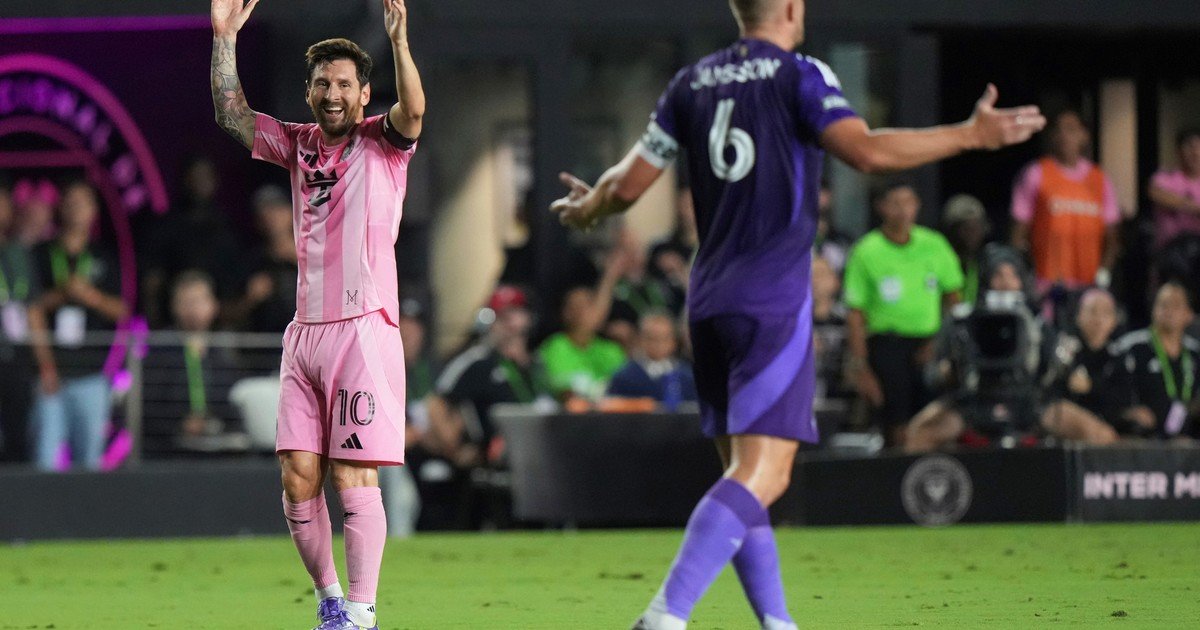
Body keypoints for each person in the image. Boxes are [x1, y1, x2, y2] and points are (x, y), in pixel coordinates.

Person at [549, 0, 1044, 627]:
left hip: (708, 301)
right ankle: (666, 615)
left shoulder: (691, 82)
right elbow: (866, 152)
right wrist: (969, 135)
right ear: (790, 6)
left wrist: (587, 209)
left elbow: (625, 186)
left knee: (743, 474)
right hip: (770, 300)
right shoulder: (800, 74)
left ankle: (779, 624)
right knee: (765, 474)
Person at [210, 0, 425, 628]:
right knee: (298, 476)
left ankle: (363, 610)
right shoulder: (297, 143)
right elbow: (231, 115)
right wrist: (224, 38)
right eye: (323, 84)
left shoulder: (383, 144)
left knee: (352, 474)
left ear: (364, 94)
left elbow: (414, 111)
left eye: (345, 84)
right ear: (309, 92)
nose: (333, 94)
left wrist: (399, 42)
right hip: (304, 333)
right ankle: (331, 601)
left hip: (363, 328)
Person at [843, 182, 964, 445]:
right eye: (896, 203)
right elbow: (855, 313)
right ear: (881, 207)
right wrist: (861, 366)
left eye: (909, 202)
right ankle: (899, 463)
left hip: (930, 344)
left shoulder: (934, 245)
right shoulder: (866, 251)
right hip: (888, 346)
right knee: (895, 421)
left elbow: (954, 300)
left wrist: (938, 343)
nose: (903, 210)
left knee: (937, 416)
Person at [27, 181, 128, 471]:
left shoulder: (103, 256)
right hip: (50, 375)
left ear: (94, 210)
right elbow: (30, 307)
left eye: (82, 203)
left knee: (90, 464)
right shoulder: (41, 253)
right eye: (70, 203)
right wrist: (62, 295)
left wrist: (91, 297)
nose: (76, 209)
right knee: (45, 459)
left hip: (92, 375)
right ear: (60, 208)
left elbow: (122, 310)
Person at [1010, 109, 1121, 292]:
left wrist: (1104, 274)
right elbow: (1018, 233)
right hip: (1046, 286)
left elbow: (1112, 239)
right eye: (1058, 130)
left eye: (1071, 129)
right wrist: (1023, 275)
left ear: (1084, 135)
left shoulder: (1100, 180)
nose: (1064, 136)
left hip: (1089, 287)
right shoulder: (1036, 173)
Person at [141, 271, 247, 453]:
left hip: (220, 449)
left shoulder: (226, 352)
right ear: (174, 307)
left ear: (213, 306)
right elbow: (147, 407)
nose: (193, 309)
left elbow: (236, 403)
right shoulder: (160, 350)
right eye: (186, 302)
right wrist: (181, 424)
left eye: (198, 301)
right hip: (169, 450)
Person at [1111, 281, 1199, 439]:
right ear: (1153, 310)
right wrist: (1126, 412)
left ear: (1189, 314)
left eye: (1176, 305)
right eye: (1163, 304)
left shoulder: (1195, 353)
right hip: (1142, 438)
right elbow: (1108, 389)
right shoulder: (1132, 347)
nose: (1168, 310)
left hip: (1187, 440)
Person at [538, 253, 628, 401]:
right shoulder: (555, 347)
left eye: (586, 306)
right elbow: (567, 395)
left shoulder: (611, 351)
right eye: (575, 307)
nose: (581, 313)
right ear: (565, 313)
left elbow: (625, 391)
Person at [0, 181, 39, 463]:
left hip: (16, 359)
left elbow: (33, 308)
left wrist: (45, 363)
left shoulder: (19, 253)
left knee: (18, 436)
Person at [607, 311, 698, 408]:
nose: (658, 344)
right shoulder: (625, 377)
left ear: (673, 342)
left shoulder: (688, 377)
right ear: (640, 339)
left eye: (664, 338)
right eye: (652, 338)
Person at [1148, 127, 1200, 250]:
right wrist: (1195, 209)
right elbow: (1157, 195)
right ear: (1178, 151)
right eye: (1189, 146)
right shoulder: (1164, 178)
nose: (1195, 152)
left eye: (1198, 147)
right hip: (1170, 253)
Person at [942, 194, 989, 306]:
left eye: (977, 227)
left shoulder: (984, 263)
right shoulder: (939, 262)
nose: (973, 234)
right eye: (967, 228)